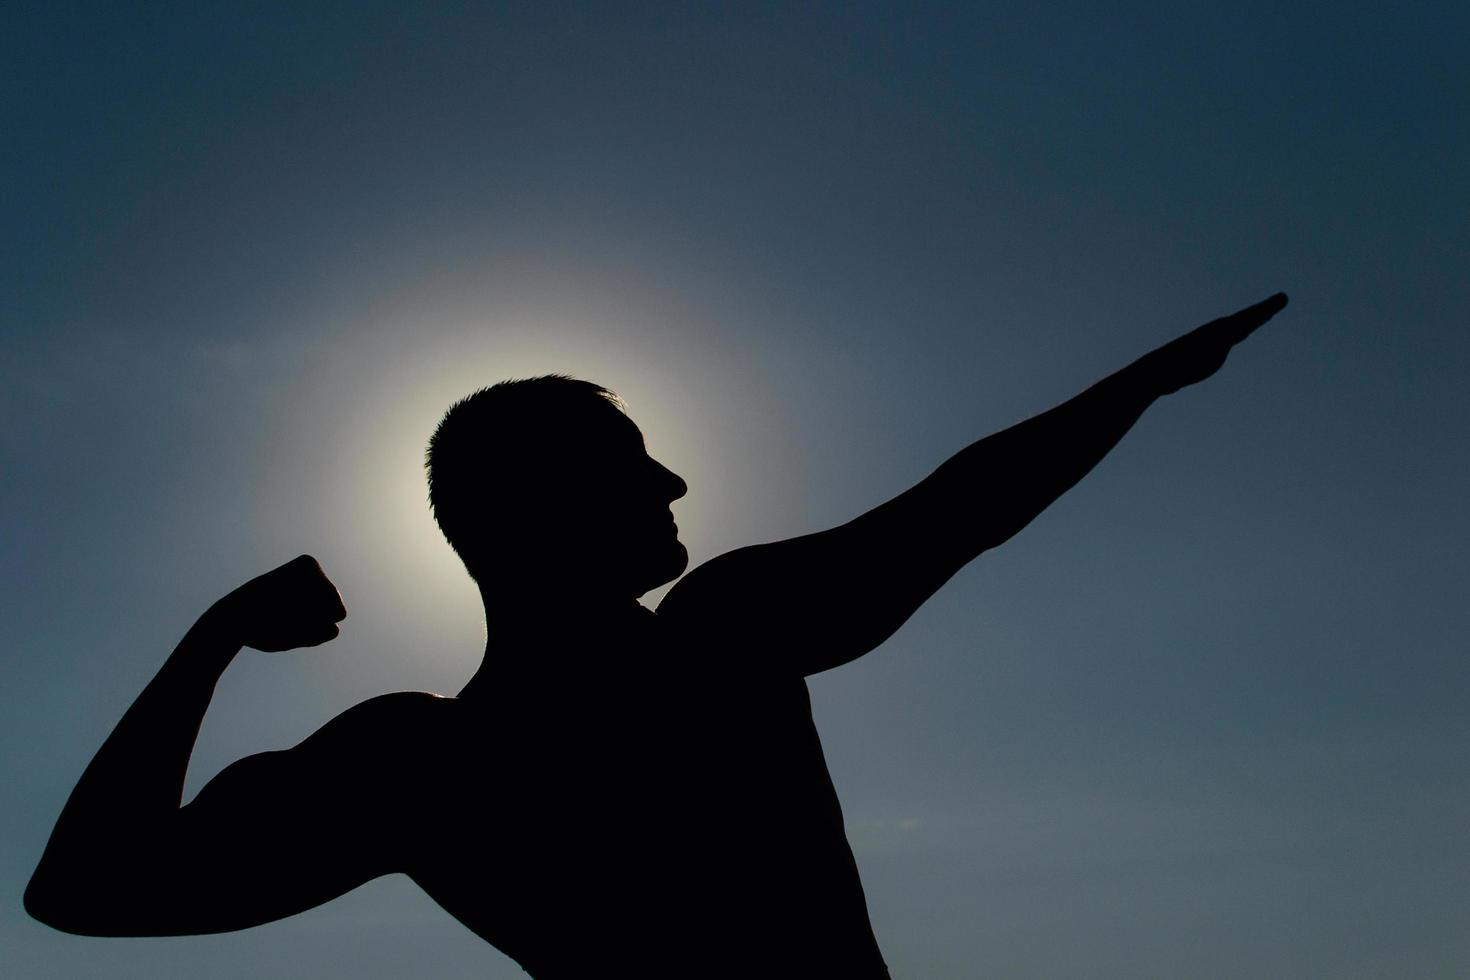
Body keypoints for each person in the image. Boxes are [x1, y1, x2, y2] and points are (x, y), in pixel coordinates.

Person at [26, 294, 1289, 977]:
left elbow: (81, 892)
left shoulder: (412, 768)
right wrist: (1137, 387)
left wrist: (212, 637)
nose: (677, 482)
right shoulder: (717, 640)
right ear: (548, 506)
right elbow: (953, 513)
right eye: (635, 466)